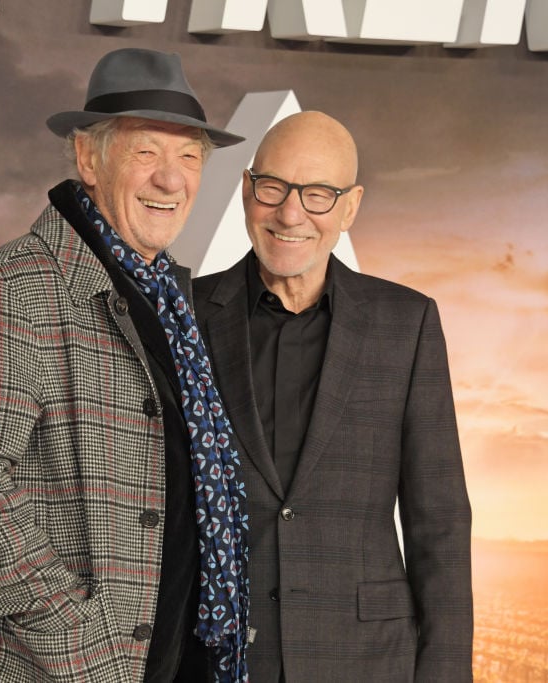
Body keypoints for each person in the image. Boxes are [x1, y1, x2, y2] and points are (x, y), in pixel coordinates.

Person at [0, 48, 251, 682]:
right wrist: (80, 643)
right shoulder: (14, 288)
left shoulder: (169, 296)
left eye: (188, 156)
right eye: (147, 152)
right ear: (88, 158)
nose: (171, 180)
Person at [192, 111, 473, 681]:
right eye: (272, 188)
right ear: (247, 191)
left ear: (349, 207)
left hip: (367, 659)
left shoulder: (407, 323)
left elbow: (438, 522)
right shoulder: (186, 316)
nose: (290, 214)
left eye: (318, 194)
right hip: (220, 660)